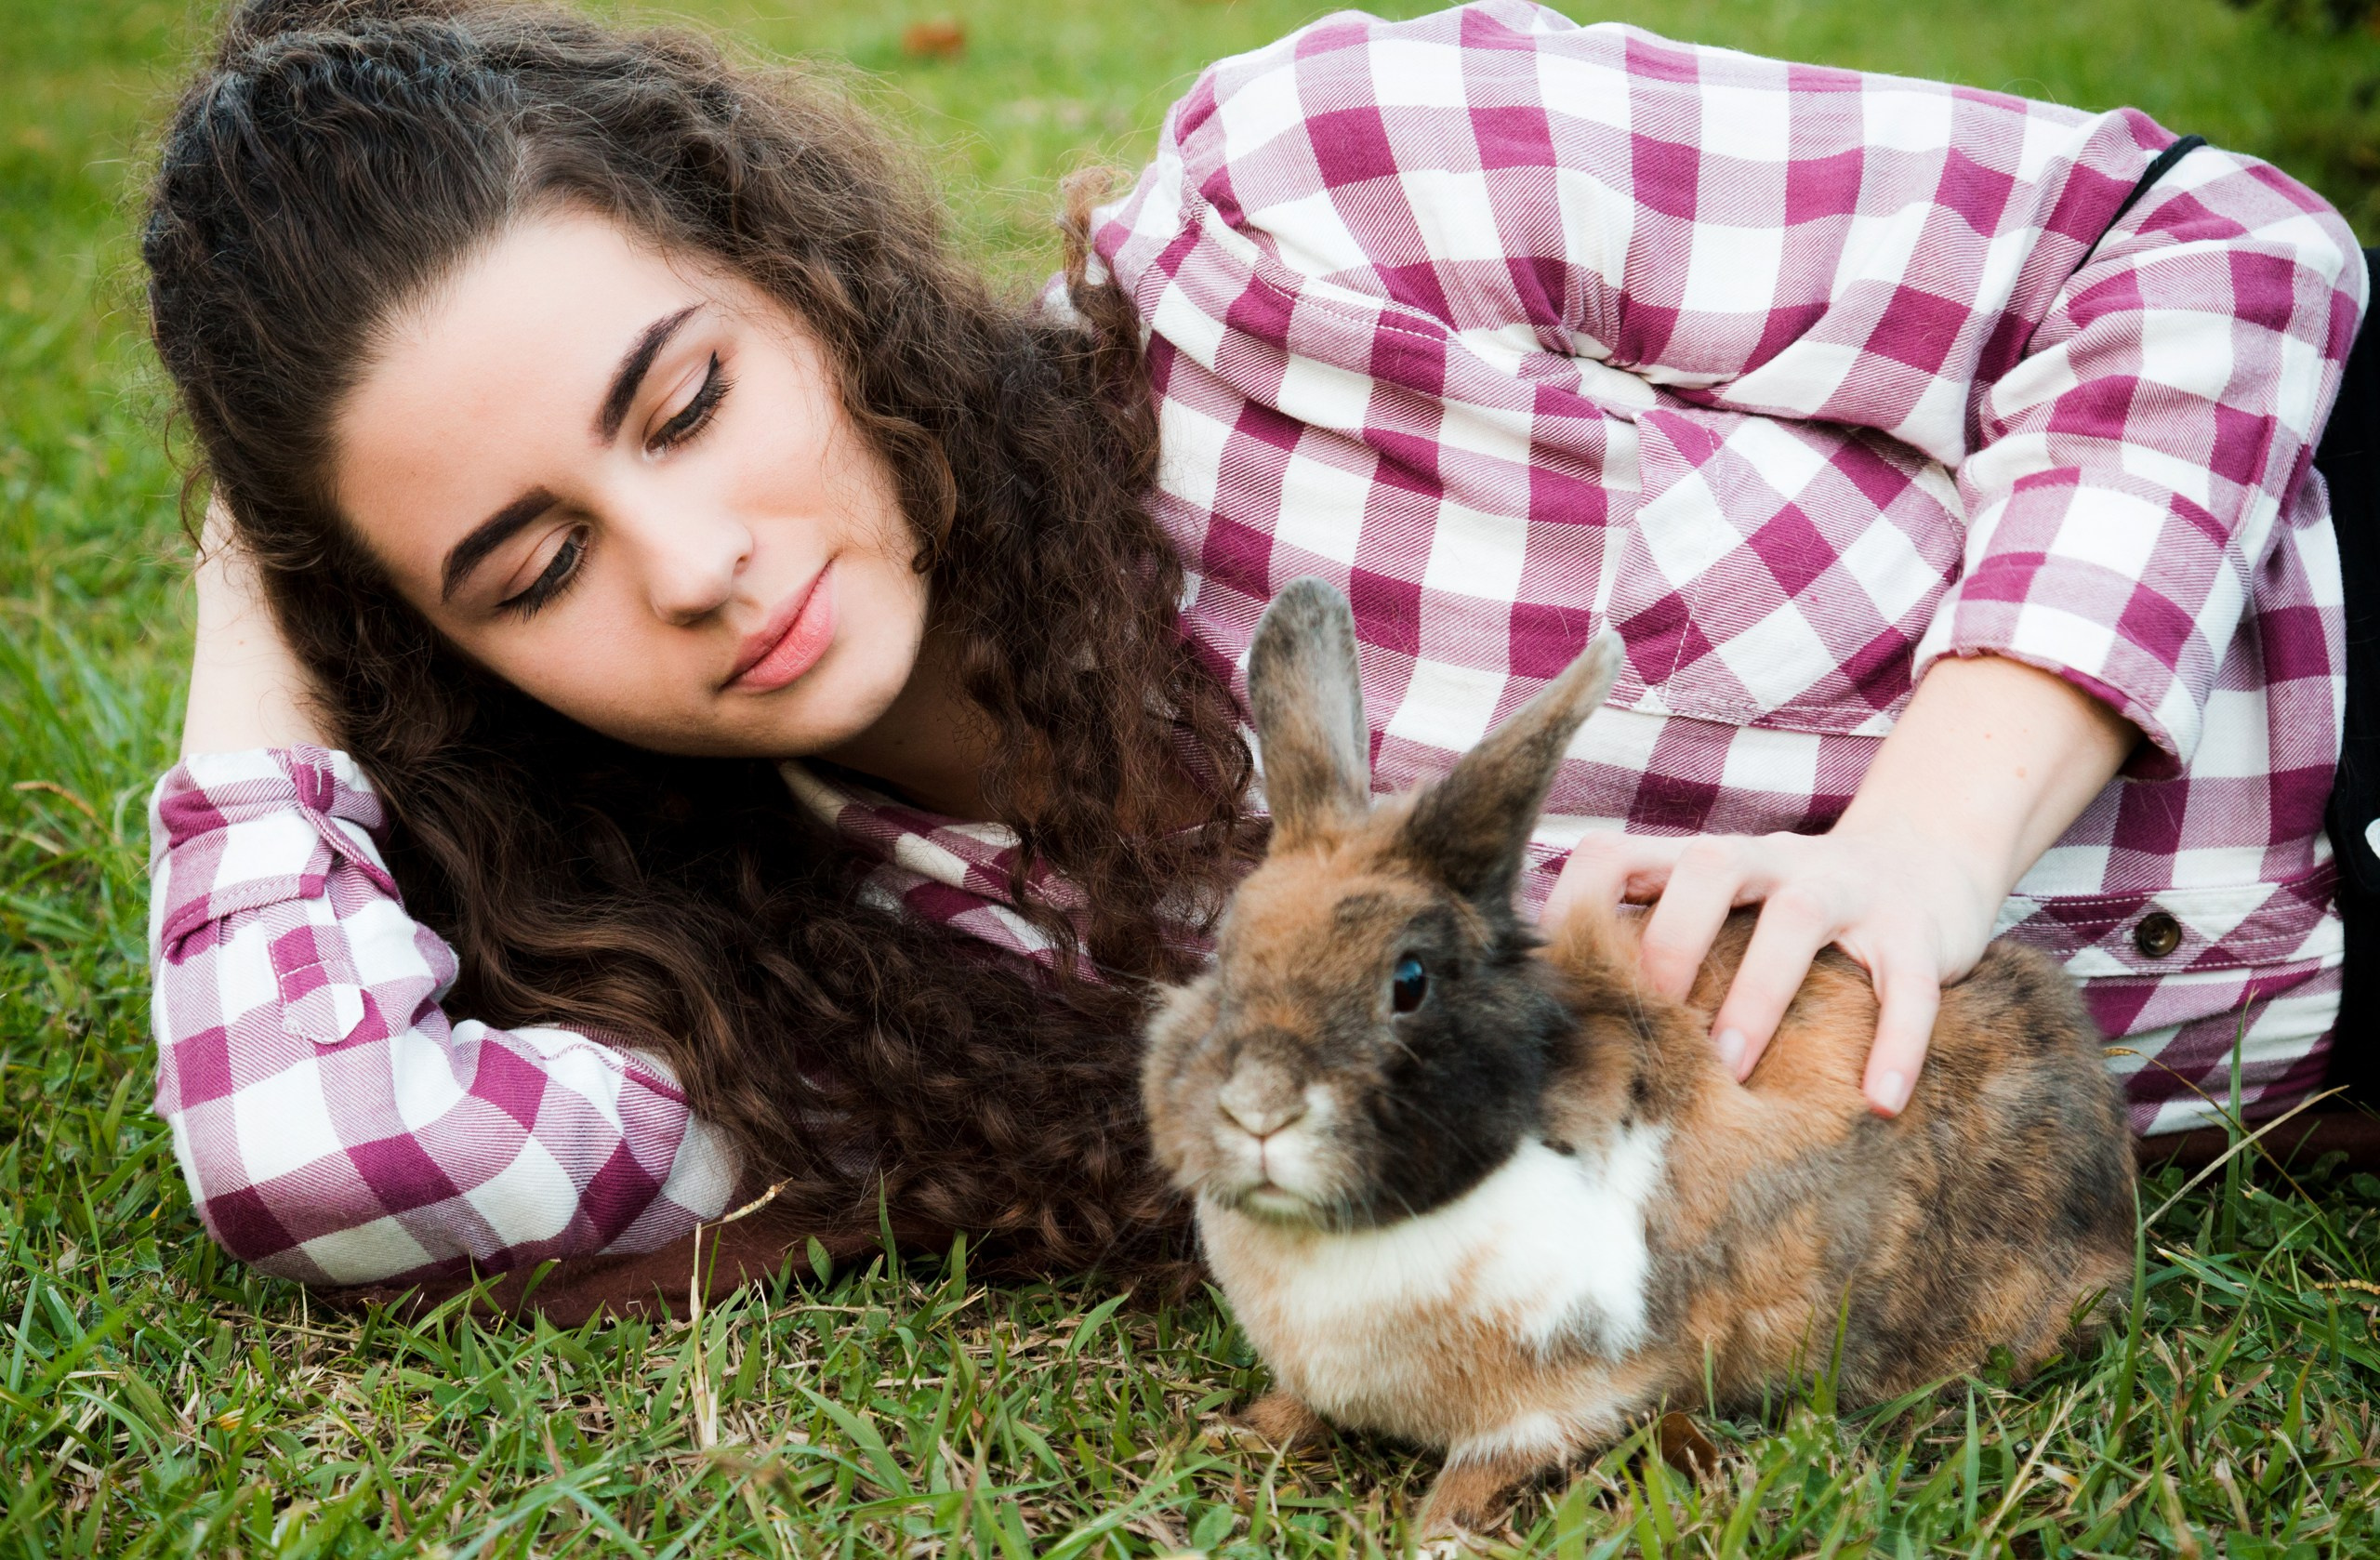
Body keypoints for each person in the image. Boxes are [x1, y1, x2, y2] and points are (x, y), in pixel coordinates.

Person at [143, 0, 2366, 1308]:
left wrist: (1924, 837)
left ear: (788, 270)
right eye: (530, 570)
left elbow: (2201, 251)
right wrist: (277, 586)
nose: (700, 565)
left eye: (685, 397)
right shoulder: (847, 979)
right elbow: (322, 1149)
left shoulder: (1308, 223)